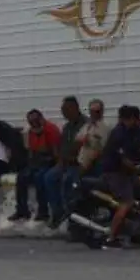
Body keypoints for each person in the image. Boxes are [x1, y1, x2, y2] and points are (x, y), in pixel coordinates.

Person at [97, 105, 140, 249]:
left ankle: (137, 229)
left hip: (128, 172)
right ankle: (111, 238)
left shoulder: (135, 131)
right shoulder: (118, 134)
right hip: (115, 172)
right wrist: (139, 170)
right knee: (127, 202)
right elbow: (124, 160)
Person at [44, 96, 85, 229]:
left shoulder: (85, 125)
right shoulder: (67, 127)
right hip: (66, 162)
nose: (63, 113)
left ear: (75, 108)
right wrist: (60, 161)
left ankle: (73, 218)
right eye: (62, 110)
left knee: (68, 181)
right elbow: (62, 146)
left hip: (80, 163)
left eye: (66, 110)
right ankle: (58, 212)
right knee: (49, 177)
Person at [13, 109, 61, 223]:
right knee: (21, 177)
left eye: (35, 121)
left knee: (40, 178)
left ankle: (43, 212)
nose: (33, 124)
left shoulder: (51, 130)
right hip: (36, 162)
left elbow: (56, 153)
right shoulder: (31, 132)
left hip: (49, 162)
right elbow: (31, 151)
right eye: (31, 122)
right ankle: (22, 210)